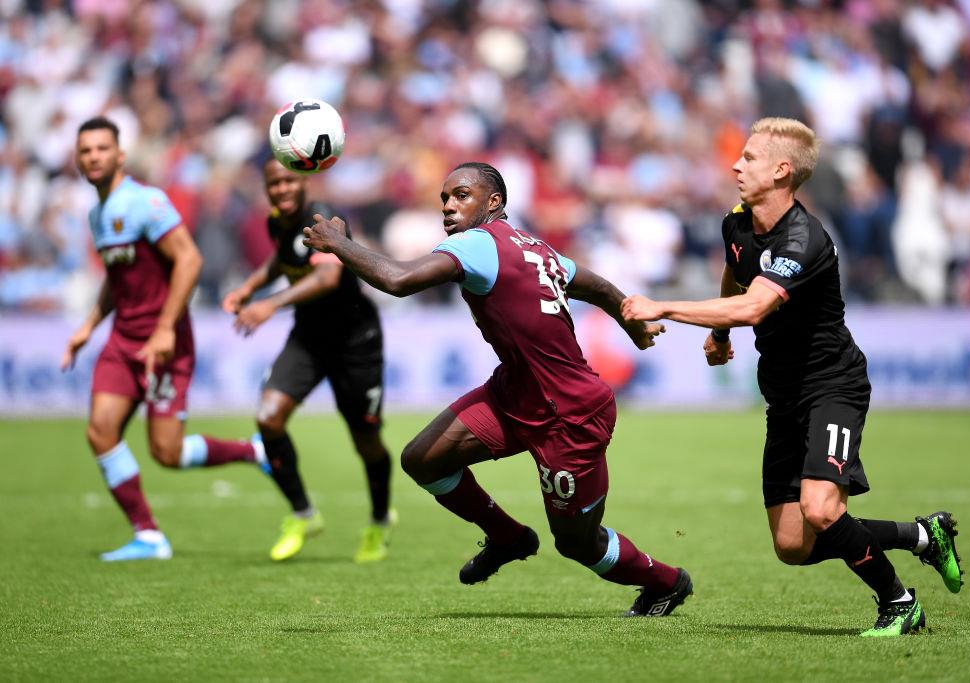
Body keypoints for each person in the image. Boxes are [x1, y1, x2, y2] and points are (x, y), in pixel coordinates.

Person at [621, 117, 963, 636]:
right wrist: (720, 334)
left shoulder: (804, 238)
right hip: (782, 394)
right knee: (792, 545)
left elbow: (755, 305)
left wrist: (663, 305)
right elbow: (737, 270)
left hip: (832, 386)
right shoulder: (736, 221)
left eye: (749, 158)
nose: (736, 165)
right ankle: (922, 536)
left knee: (821, 510)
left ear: (782, 171)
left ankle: (899, 603)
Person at [302, 161, 692, 616]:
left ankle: (667, 582)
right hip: (516, 393)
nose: (448, 206)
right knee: (423, 459)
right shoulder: (534, 246)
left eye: (461, 195)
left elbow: (398, 280)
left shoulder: (476, 243)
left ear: (494, 202)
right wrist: (631, 323)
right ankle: (508, 536)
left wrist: (340, 244)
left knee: (577, 544)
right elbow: (599, 287)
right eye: (444, 198)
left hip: (569, 414)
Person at [62, 116, 267, 561]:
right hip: (123, 341)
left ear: (120, 155)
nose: (93, 157)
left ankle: (254, 451)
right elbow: (118, 277)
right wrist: (89, 326)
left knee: (167, 452)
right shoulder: (98, 214)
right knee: (100, 432)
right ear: (77, 160)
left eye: (101, 148)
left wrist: (163, 329)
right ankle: (149, 535)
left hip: (165, 343)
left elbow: (189, 261)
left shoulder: (146, 202)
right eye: (85, 151)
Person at [221, 159, 395, 563]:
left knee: (366, 442)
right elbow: (281, 258)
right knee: (268, 418)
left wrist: (269, 304)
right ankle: (303, 514)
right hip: (309, 339)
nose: (281, 189)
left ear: (304, 181)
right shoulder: (276, 221)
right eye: (273, 183)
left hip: (355, 341)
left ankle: (380, 520)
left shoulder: (324, 219)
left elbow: (327, 278)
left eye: (288, 180)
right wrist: (249, 287)